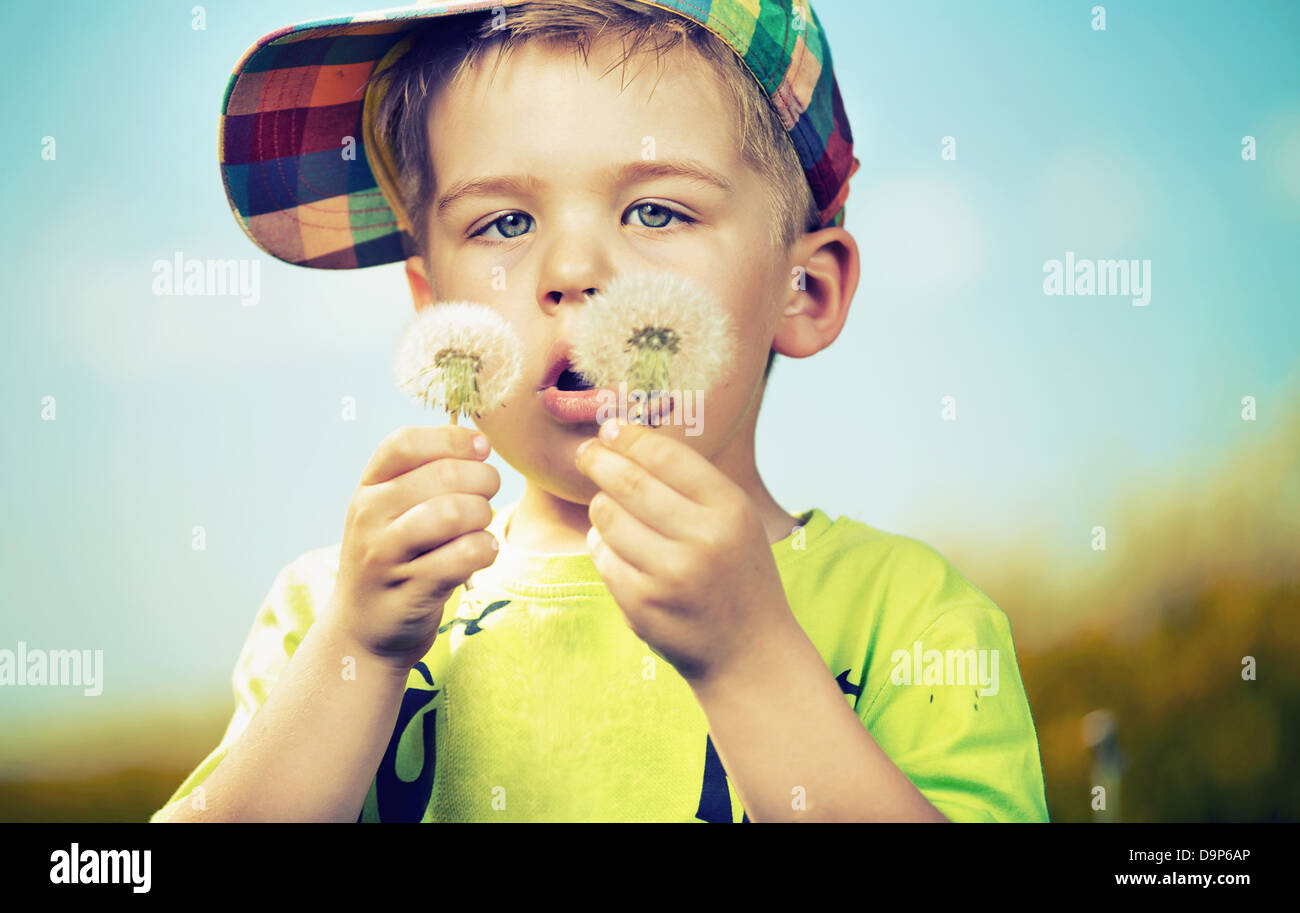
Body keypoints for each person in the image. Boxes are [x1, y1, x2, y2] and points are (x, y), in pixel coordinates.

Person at [151, 0, 1048, 823]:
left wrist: (752, 660)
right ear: (433, 308)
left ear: (803, 289)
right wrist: (360, 650)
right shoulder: (337, 612)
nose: (572, 268)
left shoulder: (912, 619)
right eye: (503, 223)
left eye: (656, 210)